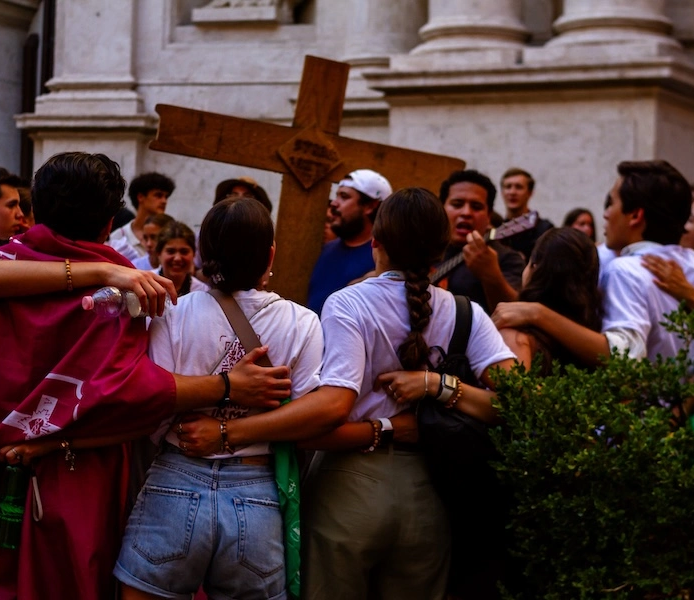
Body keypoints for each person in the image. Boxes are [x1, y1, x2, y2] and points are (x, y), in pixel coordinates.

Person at [0, 154, 292, 600]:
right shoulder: (128, 290)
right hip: (79, 480)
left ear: (35, 210)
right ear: (109, 223)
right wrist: (227, 386)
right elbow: (130, 393)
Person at [298, 188, 516, 600]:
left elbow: (333, 404)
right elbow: (522, 402)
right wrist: (446, 387)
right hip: (431, 495)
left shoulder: (347, 304)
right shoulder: (466, 312)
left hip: (347, 485)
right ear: (441, 248)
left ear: (376, 242)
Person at [114, 196, 333, 600]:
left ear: (202, 254)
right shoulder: (303, 322)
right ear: (270, 254)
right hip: (257, 492)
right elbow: (305, 414)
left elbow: (155, 405)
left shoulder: (173, 313)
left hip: (174, 480)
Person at [493, 160, 694, 364]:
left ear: (635, 216)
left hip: (649, 407)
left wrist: (538, 313)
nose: (606, 214)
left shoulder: (626, 270)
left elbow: (624, 357)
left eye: (612, 203)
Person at [498, 228, 603, 373]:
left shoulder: (517, 339)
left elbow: (512, 394)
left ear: (534, 268)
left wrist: (457, 389)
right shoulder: (596, 335)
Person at [435, 169, 525, 313]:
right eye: (457, 204)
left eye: (476, 207)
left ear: (489, 215)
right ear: (442, 208)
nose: (466, 213)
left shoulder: (508, 259)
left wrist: (491, 275)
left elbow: (515, 313)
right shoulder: (424, 250)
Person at [307, 169, 392, 315]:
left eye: (344, 197)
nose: (334, 203)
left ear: (370, 206)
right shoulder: (329, 249)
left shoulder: (382, 257)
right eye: (336, 196)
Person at [108, 171, 175, 262]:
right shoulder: (118, 237)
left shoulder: (172, 232)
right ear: (140, 197)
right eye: (158, 195)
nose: (164, 201)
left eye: (166, 197)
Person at [498, 167, 554, 259]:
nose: (512, 192)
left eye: (518, 187)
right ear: (502, 192)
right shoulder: (496, 228)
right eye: (508, 187)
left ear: (530, 193)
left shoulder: (544, 229)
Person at [154, 220, 209, 296]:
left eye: (184, 251)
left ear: (194, 254)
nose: (177, 258)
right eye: (171, 251)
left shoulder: (203, 291)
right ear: (159, 253)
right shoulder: (146, 285)